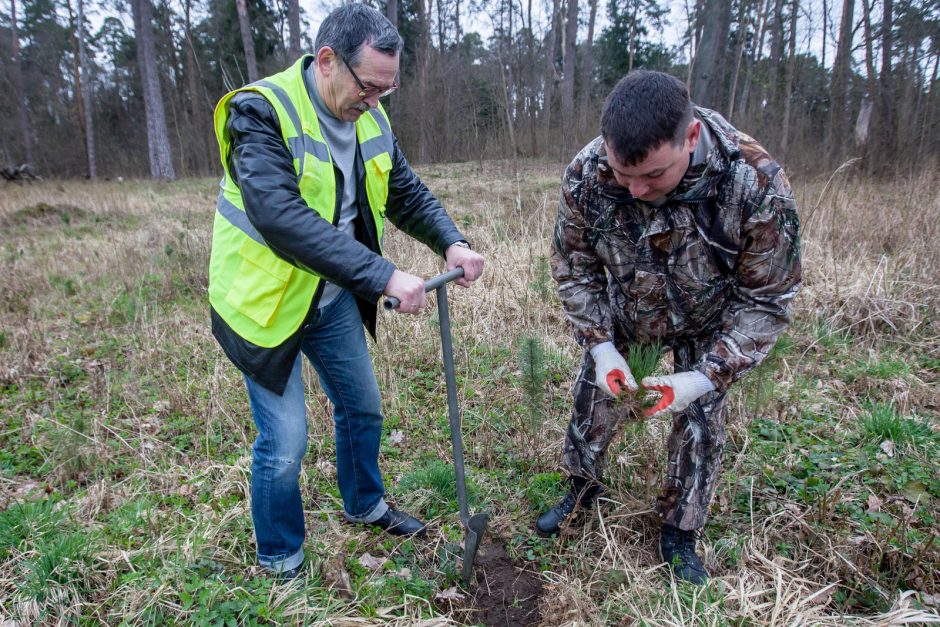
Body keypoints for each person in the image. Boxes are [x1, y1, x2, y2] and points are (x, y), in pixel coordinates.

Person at [207, 4, 484, 579]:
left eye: (388, 91)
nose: (376, 101)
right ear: (327, 61)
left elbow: (402, 189)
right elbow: (280, 216)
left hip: (329, 299)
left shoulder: (370, 116)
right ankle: (280, 558)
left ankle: (364, 504)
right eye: (369, 87)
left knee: (362, 409)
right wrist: (383, 275)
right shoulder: (259, 111)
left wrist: (451, 242)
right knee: (285, 444)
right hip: (265, 307)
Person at [535, 70, 801, 585]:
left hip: (710, 320)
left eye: (654, 175)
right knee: (594, 397)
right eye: (623, 172)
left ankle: (679, 531)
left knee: (700, 421)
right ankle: (582, 486)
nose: (636, 189)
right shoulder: (587, 173)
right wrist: (601, 346)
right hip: (625, 311)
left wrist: (703, 377)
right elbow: (574, 267)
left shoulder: (755, 181)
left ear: (692, 137)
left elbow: (767, 299)